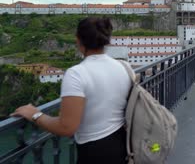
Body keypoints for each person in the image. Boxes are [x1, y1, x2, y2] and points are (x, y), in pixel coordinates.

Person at [11, 17, 131, 164]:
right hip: (121, 142)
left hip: (94, 151)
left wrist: (34, 114)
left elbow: (66, 127)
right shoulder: (123, 67)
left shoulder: (77, 73)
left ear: (78, 40)